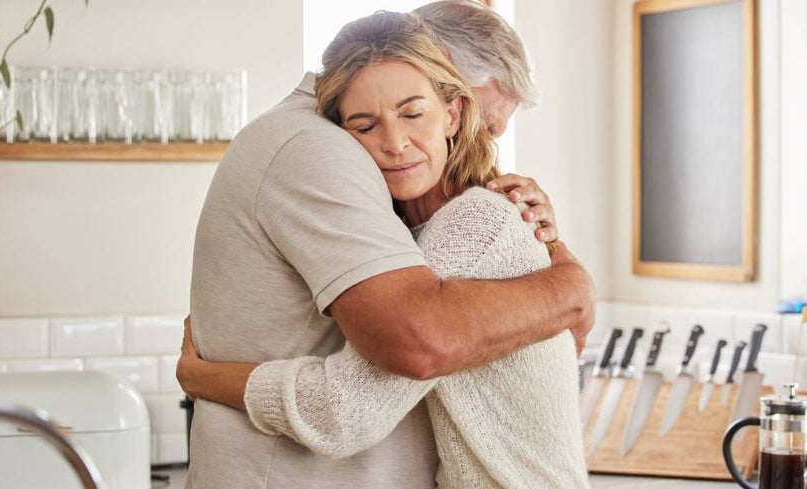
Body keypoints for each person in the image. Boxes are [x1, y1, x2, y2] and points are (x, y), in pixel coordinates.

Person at [184, 2, 595, 488]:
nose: (397, 142)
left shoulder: (475, 220)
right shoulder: (349, 177)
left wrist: (203, 378)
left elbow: (346, 409)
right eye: (367, 123)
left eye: (414, 114)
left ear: (450, 111)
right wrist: (569, 288)